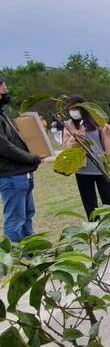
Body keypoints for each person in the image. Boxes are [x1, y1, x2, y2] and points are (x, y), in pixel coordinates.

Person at [0, 75, 44, 242]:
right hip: (11, 176)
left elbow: (15, 141)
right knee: (15, 219)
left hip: (20, 174)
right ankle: (16, 259)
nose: (5, 88)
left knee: (27, 214)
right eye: (1, 85)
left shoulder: (2, 114)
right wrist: (31, 158)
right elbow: (5, 147)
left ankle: (30, 253)